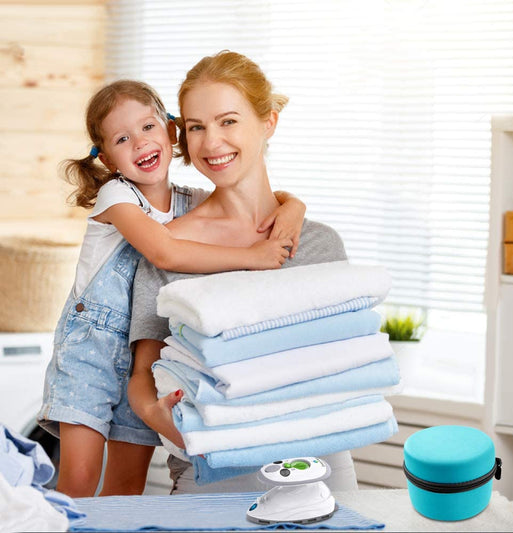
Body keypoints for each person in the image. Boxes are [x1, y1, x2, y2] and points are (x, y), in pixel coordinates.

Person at [37, 79, 307, 498]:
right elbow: (164, 252)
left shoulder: (190, 201)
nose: (140, 143)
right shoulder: (116, 196)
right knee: (80, 479)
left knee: (127, 487)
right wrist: (253, 256)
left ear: (170, 130)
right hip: (91, 351)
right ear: (107, 158)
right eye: (122, 139)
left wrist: (294, 206)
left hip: (146, 353)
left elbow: (249, 198)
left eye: (148, 127)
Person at [128, 50, 358, 494]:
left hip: (320, 467)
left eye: (228, 121)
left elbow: (342, 362)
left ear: (268, 122)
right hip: (211, 467)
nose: (211, 143)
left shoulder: (319, 245)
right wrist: (155, 415)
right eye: (196, 127)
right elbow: (143, 373)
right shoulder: (168, 249)